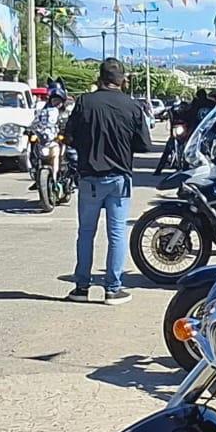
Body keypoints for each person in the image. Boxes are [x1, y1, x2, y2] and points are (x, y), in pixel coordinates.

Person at [63, 58, 151, 304]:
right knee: (116, 234)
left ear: (99, 78)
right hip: (119, 179)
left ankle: (81, 287)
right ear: (122, 80)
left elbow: (69, 136)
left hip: (89, 178)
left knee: (86, 233)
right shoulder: (132, 106)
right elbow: (144, 144)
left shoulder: (84, 102)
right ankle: (113, 288)